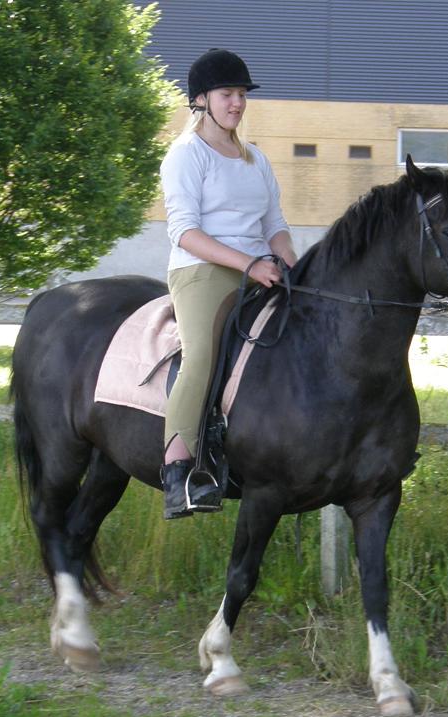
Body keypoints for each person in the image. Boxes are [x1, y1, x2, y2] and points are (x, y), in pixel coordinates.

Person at [159, 48, 297, 520]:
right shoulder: (186, 155)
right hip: (201, 269)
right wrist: (249, 265)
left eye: (241, 94)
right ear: (201, 100)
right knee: (201, 355)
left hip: (259, 265)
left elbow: (275, 224)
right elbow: (185, 231)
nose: (237, 103)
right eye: (227, 94)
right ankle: (178, 473)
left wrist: (292, 265)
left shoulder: (256, 159)